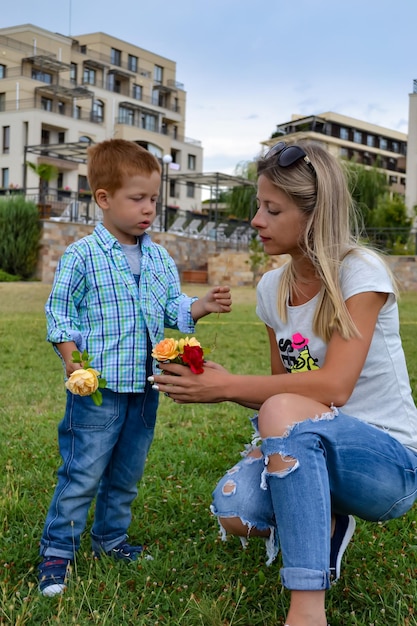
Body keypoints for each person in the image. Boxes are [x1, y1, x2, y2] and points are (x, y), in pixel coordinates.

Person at [150, 140, 417, 626]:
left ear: (314, 216)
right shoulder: (273, 290)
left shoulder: (361, 274)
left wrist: (229, 387)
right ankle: (326, 518)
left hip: (388, 464)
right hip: (315, 438)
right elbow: (286, 391)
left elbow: (333, 387)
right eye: (259, 206)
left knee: (282, 423)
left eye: (272, 209)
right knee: (234, 507)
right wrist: (217, 383)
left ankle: (307, 609)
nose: (256, 220)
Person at [38, 138, 232, 597]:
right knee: (83, 471)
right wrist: (71, 360)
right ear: (103, 199)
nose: (149, 209)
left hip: (146, 388)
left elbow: (172, 308)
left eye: (153, 200)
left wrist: (199, 306)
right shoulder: (82, 256)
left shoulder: (160, 257)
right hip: (98, 389)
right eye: (137, 199)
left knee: (126, 472)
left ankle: (111, 539)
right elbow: (59, 312)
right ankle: (57, 552)